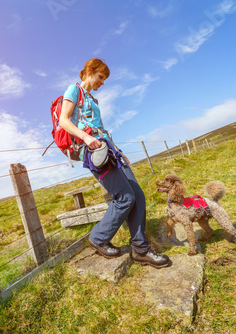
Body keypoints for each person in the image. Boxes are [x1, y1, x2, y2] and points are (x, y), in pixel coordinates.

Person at [59, 58, 171, 269]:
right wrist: (85, 138)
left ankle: (140, 249)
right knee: (124, 196)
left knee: (137, 194)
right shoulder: (73, 90)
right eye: (101, 77)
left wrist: (118, 151)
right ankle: (99, 238)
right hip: (93, 151)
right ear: (90, 72)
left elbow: (101, 128)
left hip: (109, 149)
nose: (102, 83)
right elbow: (64, 120)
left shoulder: (92, 100)